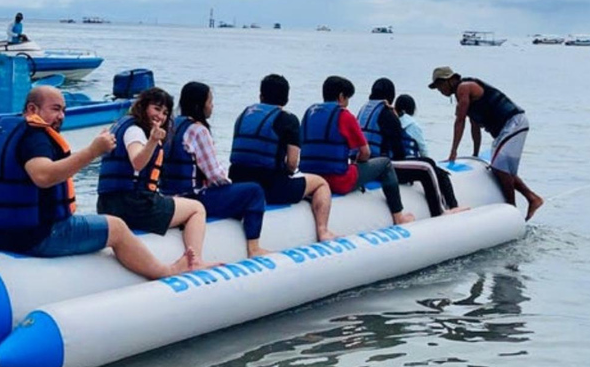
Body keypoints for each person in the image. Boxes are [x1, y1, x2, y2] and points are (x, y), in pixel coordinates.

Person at [0, 85, 201, 280]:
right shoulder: (36, 138)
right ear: (32, 109)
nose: (61, 116)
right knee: (117, 227)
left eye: (63, 110)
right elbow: (43, 176)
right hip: (35, 237)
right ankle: (166, 271)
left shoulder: (8, 131)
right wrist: (93, 151)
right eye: (55, 109)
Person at [97, 88, 208, 260]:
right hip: (135, 206)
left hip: (107, 205)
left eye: (165, 113)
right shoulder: (135, 131)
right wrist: (153, 141)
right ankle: (195, 261)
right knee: (196, 209)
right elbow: (138, 162)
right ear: (143, 106)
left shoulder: (121, 125)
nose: (160, 116)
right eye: (156, 109)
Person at [161, 82, 269, 257]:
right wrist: (231, 187)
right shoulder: (197, 130)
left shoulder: (171, 126)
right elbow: (215, 176)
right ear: (200, 104)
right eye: (210, 101)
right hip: (195, 198)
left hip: (169, 199)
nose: (212, 106)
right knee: (254, 191)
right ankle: (254, 248)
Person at [229, 74, 336, 242]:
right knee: (321, 183)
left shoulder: (243, 115)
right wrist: (286, 172)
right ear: (286, 98)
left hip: (238, 186)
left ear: (261, 96)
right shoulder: (288, 120)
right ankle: (323, 231)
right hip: (271, 188)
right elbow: (292, 163)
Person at [428, 66, 544, 220]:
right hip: (508, 128)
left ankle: (512, 208)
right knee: (502, 168)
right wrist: (475, 155)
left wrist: (453, 151)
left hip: (514, 122)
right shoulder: (462, 96)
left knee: (499, 167)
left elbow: (460, 121)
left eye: (440, 86)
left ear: (448, 81)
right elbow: (474, 126)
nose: (440, 91)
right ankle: (532, 198)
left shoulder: (464, 88)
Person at [300, 75, 414, 225]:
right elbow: (365, 152)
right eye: (347, 99)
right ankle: (398, 216)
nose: (347, 104)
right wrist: (358, 163)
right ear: (341, 96)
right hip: (337, 181)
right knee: (385, 163)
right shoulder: (344, 116)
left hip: (311, 179)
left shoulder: (309, 113)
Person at [357, 78, 461, 218]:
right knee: (427, 167)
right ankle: (440, 212)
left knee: (427, 163)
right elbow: (398, 151)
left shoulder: (363, 110)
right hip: (383, 167)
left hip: (365, 166)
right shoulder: (387, 113)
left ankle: (450, 206)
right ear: (391, 96)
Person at [393, 93, 463, 214]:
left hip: (395, 165)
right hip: (409, 164)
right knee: (441, 175)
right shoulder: (412, 125)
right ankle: (452, 206)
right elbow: (423, 149)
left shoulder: (392, 122)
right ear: (412, 109)